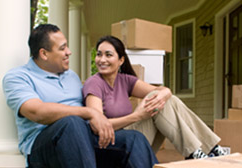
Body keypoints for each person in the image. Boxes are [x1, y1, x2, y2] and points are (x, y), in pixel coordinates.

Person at [3, 24, 158, 168]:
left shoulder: (71, 76)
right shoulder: (18, 77)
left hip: (83, 143)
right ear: (44, 54)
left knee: (134, 139)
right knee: (72, 123)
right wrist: (89, 113)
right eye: (62, 48)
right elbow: (36, 111)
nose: (69, 52)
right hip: (44, 149)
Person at [82, 35, 228, 160]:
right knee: (157, 99)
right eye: (99, 54)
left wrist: (166, 92)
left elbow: (162, 91)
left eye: (108, 55)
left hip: (134, 142)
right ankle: (200, 151)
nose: (101, 59)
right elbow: (97, 127)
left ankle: (208, 150)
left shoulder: (125, 80)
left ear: (121, 60)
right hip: (113, 146)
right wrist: (136, 116)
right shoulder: (94, 84)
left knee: (165, 99)